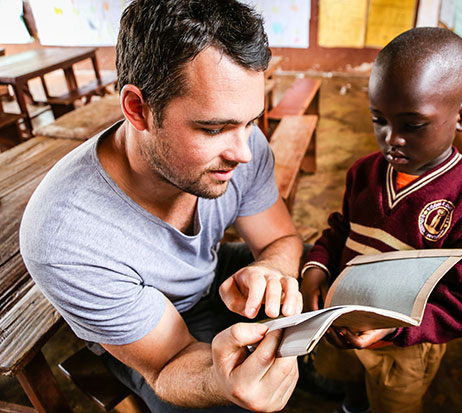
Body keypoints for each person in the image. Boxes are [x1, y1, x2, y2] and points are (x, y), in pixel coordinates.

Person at [20, 1, 303, 411]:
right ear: (137, 109)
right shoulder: (66, 237)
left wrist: (272, 270)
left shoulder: (242, 146)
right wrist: (220, 383)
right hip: (146, 339)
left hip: (209, 279)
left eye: (251, 121)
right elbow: (168, 362)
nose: (244, 151)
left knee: (318, 269)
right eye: (213, 128)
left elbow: (279, 236)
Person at [300, 27, 462, 413]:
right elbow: (340, 230)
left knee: (392, 404)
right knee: (351, 384)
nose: (391, 137)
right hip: (342, 322)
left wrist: (394, 328)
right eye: (379, 119)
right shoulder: (363, 173)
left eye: (412, 124)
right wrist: (316, 269)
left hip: (405, 346)